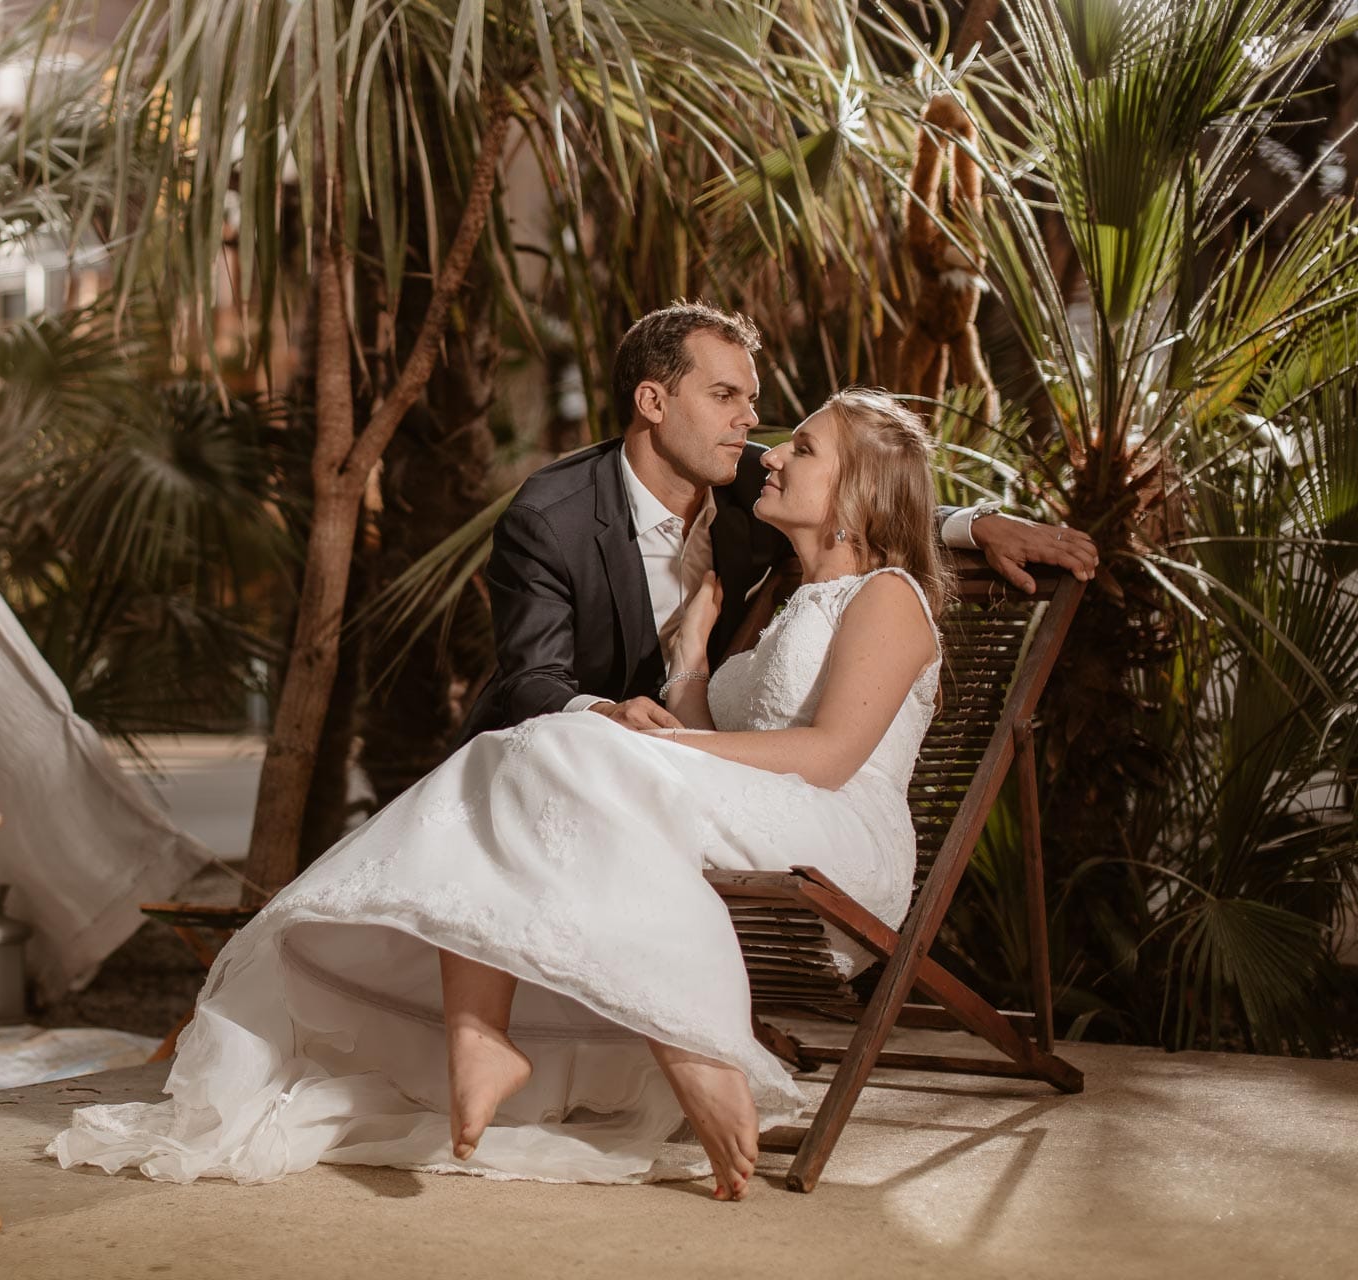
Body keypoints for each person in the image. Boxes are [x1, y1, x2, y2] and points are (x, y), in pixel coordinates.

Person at [51, 383, 991, 1201]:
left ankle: (688, 1043)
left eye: (803, 446)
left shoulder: (890, 598)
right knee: (530, 743)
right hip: (754, 814)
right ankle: (482, 1031)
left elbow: (826, 758)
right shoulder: (778, 596)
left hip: (833, 843)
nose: (771, 449)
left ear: (856, 495)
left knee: (568, 744)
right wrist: (698, 647)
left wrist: (661, 745)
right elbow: (714, 723)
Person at [458, 302, 1097, 742]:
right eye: (723, 396)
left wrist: (974, 525)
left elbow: (856, 500)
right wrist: (609, 714)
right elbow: (533, 682)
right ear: (652, 401)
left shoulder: (756, 488)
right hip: (552, 752)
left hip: (692, 775)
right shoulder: (550, 520)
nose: (747, 419)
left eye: (752, 398)